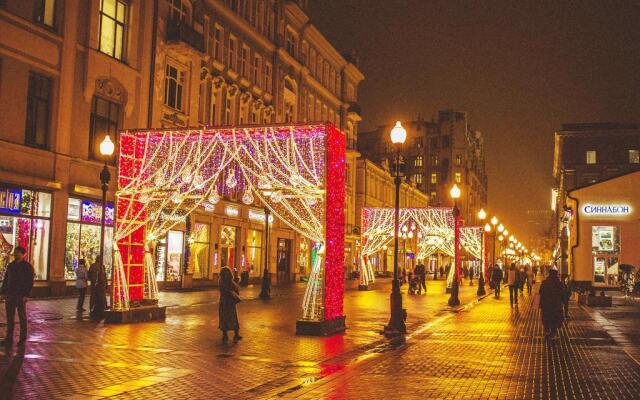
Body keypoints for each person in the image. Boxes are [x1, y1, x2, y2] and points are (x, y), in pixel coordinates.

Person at [0, 247, 35, 347]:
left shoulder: (27, 267)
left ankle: (22, 339)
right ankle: (9, 339)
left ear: (23, 254)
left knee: (22, 317)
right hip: (10, 294)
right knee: (10, 318)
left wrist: (26, 295)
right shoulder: (11, 266)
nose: (16, 254)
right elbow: (6, 279)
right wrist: (3, 293)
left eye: (18, 253)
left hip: (20, 295)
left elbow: (29, 282)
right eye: (15, 252)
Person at [539, 267, 565, 339]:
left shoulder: (545, 282)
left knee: (547, 317)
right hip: (556, 305)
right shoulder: (559, 283)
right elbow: (562, 293)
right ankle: (553, 332)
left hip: (546, 304)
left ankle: (547, 330)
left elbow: (540, 292)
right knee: (554, 318)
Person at [218, 266, 241, 343]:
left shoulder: (223, 281)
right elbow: (234, 288)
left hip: (225, 302)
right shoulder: (226, 282)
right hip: (228, 302)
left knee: (227, 318)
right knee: (231, 318)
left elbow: (234, 287)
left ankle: (228, 335)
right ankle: (232, 334)